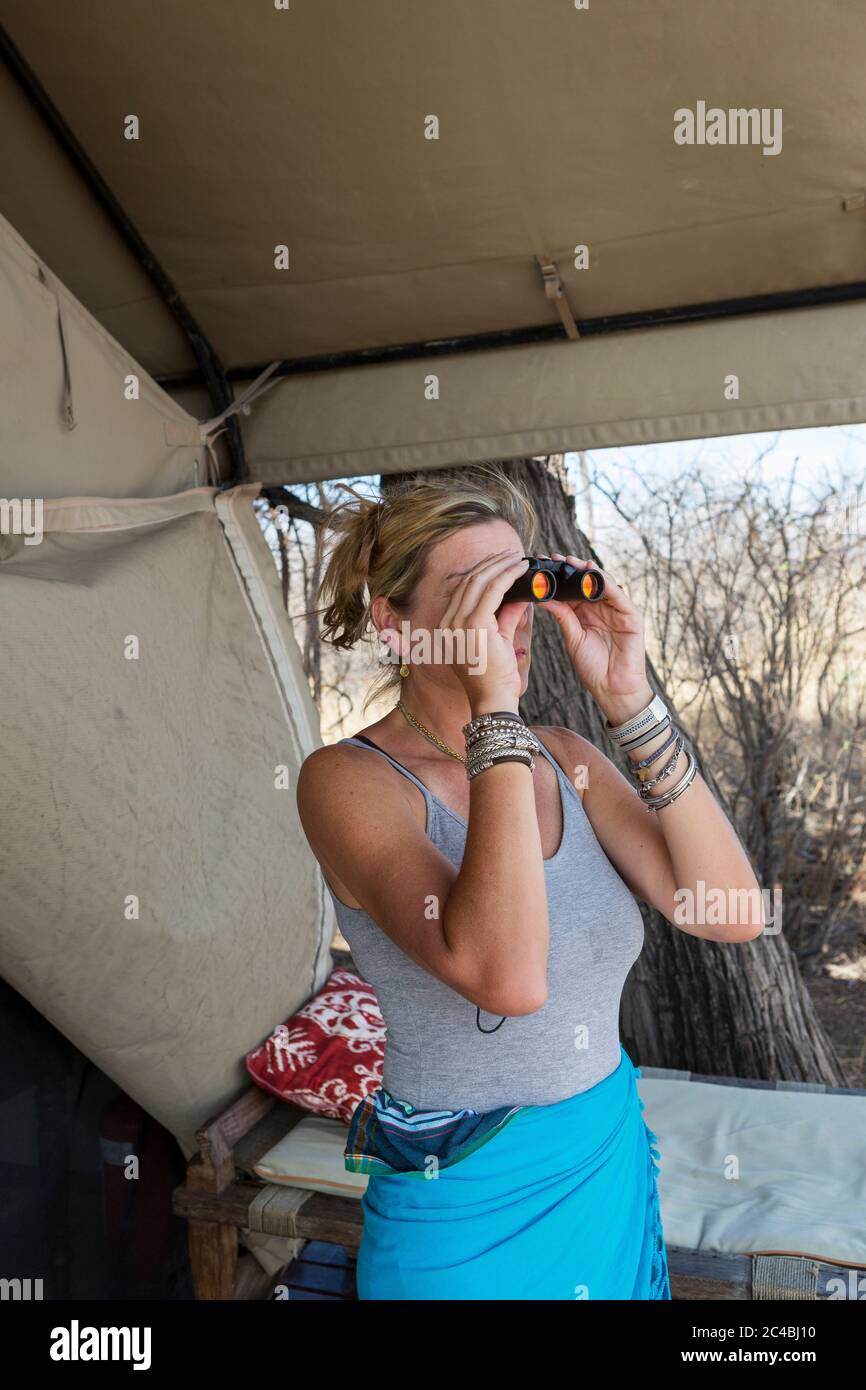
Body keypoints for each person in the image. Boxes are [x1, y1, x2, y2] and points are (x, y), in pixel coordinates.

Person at [296, 465, 764, 1300]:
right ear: (396, 624)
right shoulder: (347, 782)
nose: (512, 618)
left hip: (602, 1163)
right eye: (477, 594)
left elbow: (730, 913)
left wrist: (631, 701)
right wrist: (495, 711)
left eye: (517, 586)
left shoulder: (567, 759)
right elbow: (508, 979)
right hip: (463, 1206)